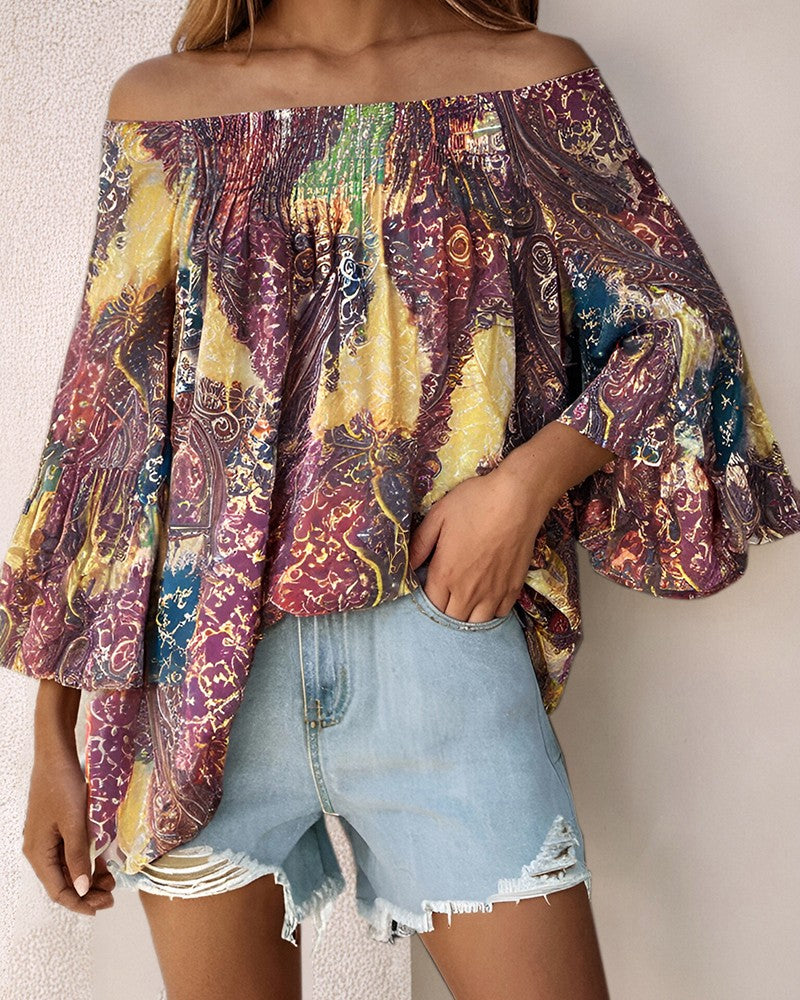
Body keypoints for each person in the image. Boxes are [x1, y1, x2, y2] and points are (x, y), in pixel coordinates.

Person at [3, 1, 799, 999]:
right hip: (197, 674)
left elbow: (679, 325)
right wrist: (52, 736)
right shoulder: (164, 107)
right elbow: (103, 430)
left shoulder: (526, 83)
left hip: (440, 654)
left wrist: (522, 486)